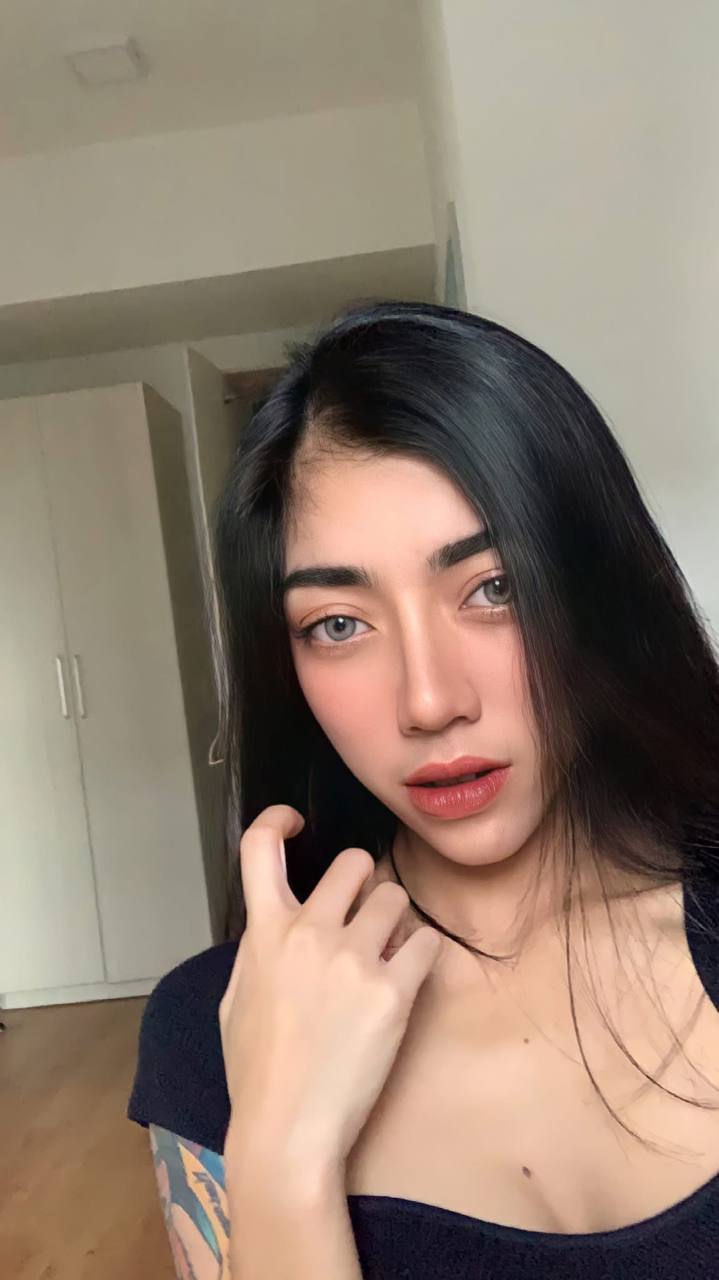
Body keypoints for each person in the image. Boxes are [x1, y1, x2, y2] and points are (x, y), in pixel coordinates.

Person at [128, 300, 719, 1278]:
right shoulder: (216, 1029)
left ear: (597, 592)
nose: (429, 701)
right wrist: (281, 1154)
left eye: (494, 587)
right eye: (338, 624)